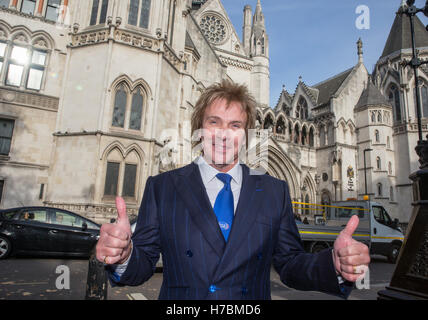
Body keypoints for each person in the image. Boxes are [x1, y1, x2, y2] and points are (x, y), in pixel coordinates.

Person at [96, 80, 370, 299]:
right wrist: (124, 255)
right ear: (199, 130)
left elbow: (289, 264)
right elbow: (142, 264)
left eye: (235, 125)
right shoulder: (164, 187)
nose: (224, 134)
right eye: (214, 122)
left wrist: (332, 265)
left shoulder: (274, 191)